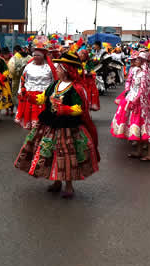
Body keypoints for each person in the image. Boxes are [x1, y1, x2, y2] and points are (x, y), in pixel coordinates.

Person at [14, 48, 100, 199]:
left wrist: (66, 109)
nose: (57, 69)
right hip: (50, 124)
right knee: (51, 154)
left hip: (68, 127)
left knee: (66, 156)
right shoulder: (54, 85)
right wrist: (29, 97)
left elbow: (80, 108)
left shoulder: (76, 88)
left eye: (59, 67)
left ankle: (69, 186)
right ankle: (56, 181)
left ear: (66, 70)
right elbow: (43, 98)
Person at [111, 47, 150, 161]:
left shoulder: (146, 73)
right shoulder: (136, 70)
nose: (135, 61)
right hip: (134, 100)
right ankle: (138, 151)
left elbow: (145, 90)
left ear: (143, 61)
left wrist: (135, 100)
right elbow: (131, 83)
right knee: (137, 128)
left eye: (138, 59)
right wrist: (129, 94)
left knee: (147, 129)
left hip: (144, 104)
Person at [15, 36, 56, 129]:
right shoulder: (28, 66)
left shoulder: (49, 67)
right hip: (29, 96)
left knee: (43, 121)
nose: (35, 57)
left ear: (43, 57)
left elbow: (54, 81)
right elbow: (23, 79)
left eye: (38, 55)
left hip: (44, 96)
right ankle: (33, 137)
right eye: (34, 55)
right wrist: (20, 91)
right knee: (31, 121)